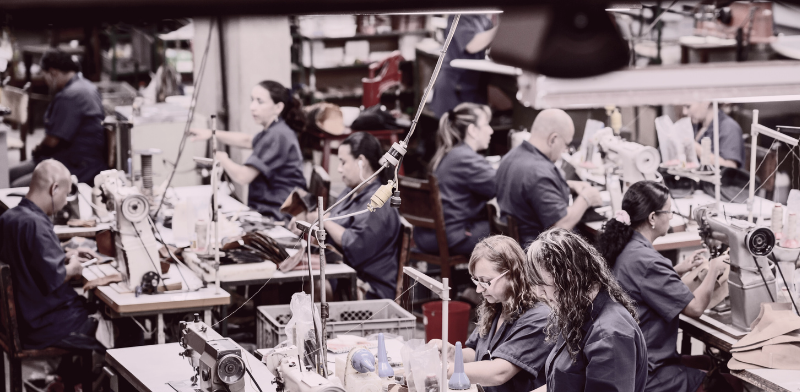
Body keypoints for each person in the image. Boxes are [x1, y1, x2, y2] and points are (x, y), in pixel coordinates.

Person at [598, 181, 741, 392]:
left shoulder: (626, 247)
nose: (671, 217)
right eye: (669, 211)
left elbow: (644, 286)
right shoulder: (649, 262)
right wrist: (713, 270)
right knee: (726, 383)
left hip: (628, 361)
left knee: (706, 362)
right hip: (649, 370)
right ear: (653, 217)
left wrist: (676, 270)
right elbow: (695, 308)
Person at [528, 228, 648, 392]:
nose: (539, 293)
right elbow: (562, 383)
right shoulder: (577, 309)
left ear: (568, 278)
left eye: (543, 284)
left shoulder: (609, 335)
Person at [432, 235, 551, 392]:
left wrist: (443, 369)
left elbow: (498, 372)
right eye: (476, 281)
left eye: (485, 281)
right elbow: (477, 353)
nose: (479, 290)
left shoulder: (540, 317)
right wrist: (453, 354)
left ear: (511, 275)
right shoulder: (497, 305)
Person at [191, 80, 306, 221]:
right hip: (270, 209)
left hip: (278, 214)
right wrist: (212, 133)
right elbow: (247, 140)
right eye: (252, 100)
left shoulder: (277, 135)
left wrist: (222, 159)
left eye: (260, 102)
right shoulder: (275, 130)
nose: (252, 107)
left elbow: (243, 176)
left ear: (278, 107)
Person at [306, 132, 400, 299]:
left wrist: (324, 220)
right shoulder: (352, 192)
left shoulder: (379, 203)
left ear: (361, 162)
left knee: (309, 284)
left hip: (366, 287)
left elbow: (357, 246)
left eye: (343, 162)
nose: (339, 168)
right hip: (341, 273)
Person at [496, 109, 602, 247]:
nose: (565, 150)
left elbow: (530, 189)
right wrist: (586, 199)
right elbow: (560, 226)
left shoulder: (511, 157)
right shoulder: (539, 172)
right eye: (566, 145)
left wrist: (568, 185)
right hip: (538, 254)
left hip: (515, 248)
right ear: (553, 139)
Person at [10, 50, 108, 187]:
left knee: (16, 185)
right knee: (8, 174)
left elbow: (52, 141)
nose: (46, 81)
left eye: (45, 76)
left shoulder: (70, 95)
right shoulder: (87, 86)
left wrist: (38, 149)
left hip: (78, 165)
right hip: (70, 159)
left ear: (53, 73)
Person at [414, 103, 496, 256]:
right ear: (472, 130)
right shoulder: (465, 158)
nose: (491, 130)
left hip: (431, 235)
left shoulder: (452, 154)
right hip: (453, 235)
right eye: (486, 125)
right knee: (510, 231)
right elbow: (500, 186)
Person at [429, 14, 498, 118]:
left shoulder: (483, 19)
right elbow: (471, 45)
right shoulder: (458, 17)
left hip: (473, 84)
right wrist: (500, 28)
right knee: (453, 129)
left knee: (475, 125)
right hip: (455, 84)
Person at [684, 102, 746, 169]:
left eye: (688, 106)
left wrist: (694, 146)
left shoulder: (729, 127)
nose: (684, 112)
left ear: (706, 101)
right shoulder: (697, 126)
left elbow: (730, 167)